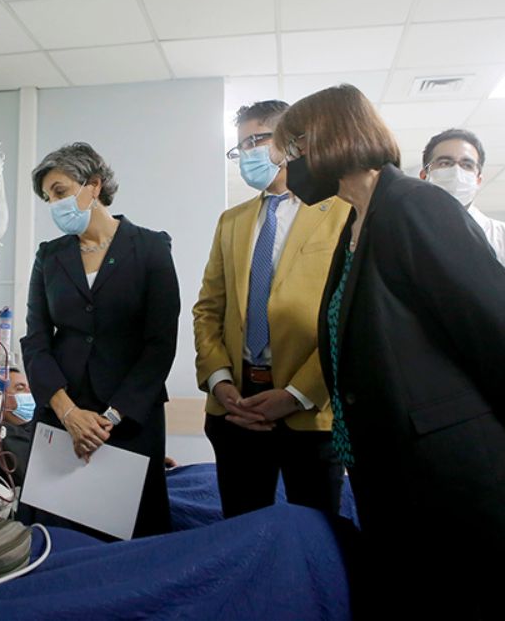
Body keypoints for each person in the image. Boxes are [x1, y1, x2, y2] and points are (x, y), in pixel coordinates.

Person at [272, 84, 505, 619]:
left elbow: (491, 328)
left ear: (329, 139)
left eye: (294, 149)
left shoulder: (414, 205)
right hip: (392, 470)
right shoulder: (357, 222)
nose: (288, 166)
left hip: (451, 477)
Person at [193, 100, 347, 518]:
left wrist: (297, 395)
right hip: (237, 405)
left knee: (315, 535)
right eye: (239, 145)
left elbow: (348, 320)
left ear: (292, 142)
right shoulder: (232, 221)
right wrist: (220, 381)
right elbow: (208, 309)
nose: (246, 153)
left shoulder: (340, 213)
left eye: (255, 140)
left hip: (309, 408)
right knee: (242, 529)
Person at [19, 142, 180, 539]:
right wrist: (69, 413)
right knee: (50, 539)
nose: (53, 203)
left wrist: (109, 418)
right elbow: (36, 339)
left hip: (128, 420)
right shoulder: (49, 257)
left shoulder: (150, 248)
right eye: (47, 197)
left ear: (94, 185)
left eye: (60, 191)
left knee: (131, 541)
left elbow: (160, 343)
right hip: (62, 415)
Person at [419, 128, 505, 264]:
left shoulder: (501, 237)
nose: (456, 172)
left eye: (467, 165)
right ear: (424, 176)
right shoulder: (402, 235)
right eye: (445, 163)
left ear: (478, 180)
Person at [0, 367, 35, 486]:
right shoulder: (4, 436)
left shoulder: (31, 428)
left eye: (30, 389)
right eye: (20, 388)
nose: (29, 394)